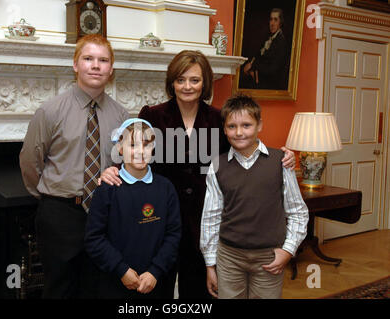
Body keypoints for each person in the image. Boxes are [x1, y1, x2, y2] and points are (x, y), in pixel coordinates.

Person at [99, 50, 296, 299]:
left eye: (194, 80)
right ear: (172, 82)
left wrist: (281, 155)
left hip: (205, 221)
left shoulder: (217, 118)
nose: (187, 86)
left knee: (201, 293)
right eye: (180, 79)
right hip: (159, 217)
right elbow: (135, 149)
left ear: (205, 83)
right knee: (154, 289)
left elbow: (242, 145)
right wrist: (111, 170)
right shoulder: (153, 115)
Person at [19, 34, 129, 298]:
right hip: (61, 214)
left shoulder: (121, 116)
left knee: (99, 288)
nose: (95, 65)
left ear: (111, 69)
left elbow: (125, 164)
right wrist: (49, 197)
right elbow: (30, 162)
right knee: (60, 290)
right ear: (75, 64)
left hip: (105, 213)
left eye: (103, 60)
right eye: (88, 58)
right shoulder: (51, 111)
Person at [200, 94, 309, 299]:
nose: (239, 132)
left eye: (246, 125)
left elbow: (298, 212)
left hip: (269, 257)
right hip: (229, 257)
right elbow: (210, 217)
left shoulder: (280, 162)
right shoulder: (216, 166)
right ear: (224, 129)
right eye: (232, 126)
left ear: (259, 125)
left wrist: (288, 250)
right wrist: (210, 263)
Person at [84, 118, 181, 299]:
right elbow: (94, 238)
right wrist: (122, 270)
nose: (140, 152)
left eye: (146, 145)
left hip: (156, 283)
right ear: (120, 149)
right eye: (133, 145)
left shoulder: (166, 188)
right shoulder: (107, 189)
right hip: (115, 283)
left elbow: (173, 235)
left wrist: (155, 271)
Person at [242, 8, 288, 90]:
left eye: (275, 20)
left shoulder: (281, 42)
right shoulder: (268, 38)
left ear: (280, 22)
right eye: (271, 20)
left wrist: (253, 68)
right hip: (260, 80)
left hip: (270, 84)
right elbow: (259, 56)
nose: (272, 23)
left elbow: (274, 69)